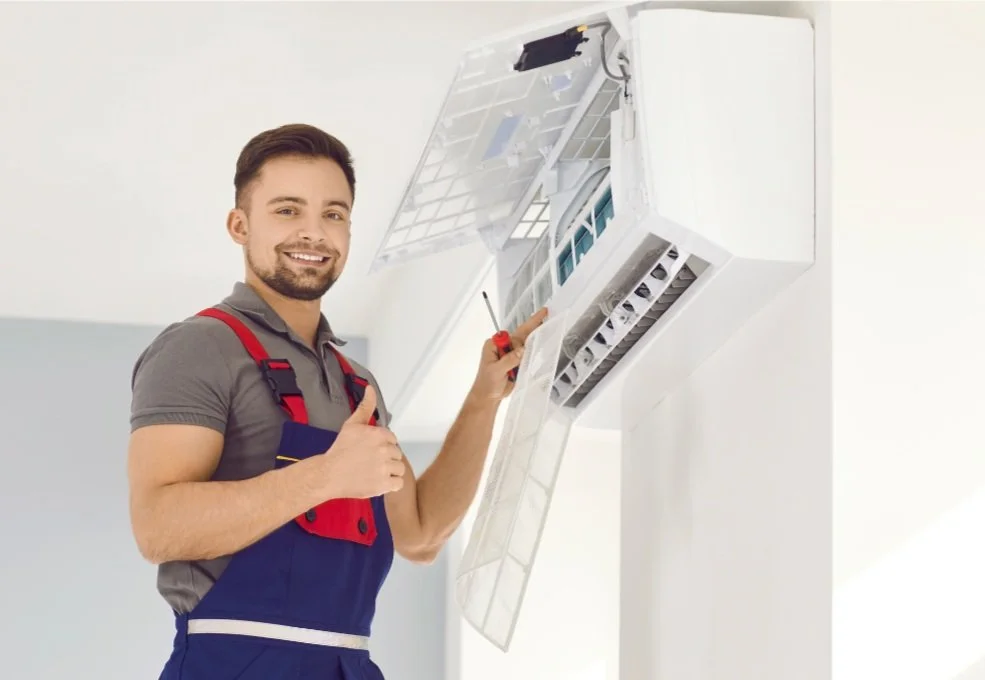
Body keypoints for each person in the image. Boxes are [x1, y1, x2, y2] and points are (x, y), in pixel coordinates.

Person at [126, 123, 548, 679]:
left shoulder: (356, 384)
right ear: (239, 225)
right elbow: (158, 528)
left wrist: (484, 397)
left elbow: (420, 534)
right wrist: (325, 477)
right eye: (287, 210)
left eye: (333, 214)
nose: (313, 232)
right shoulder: (200, 347)